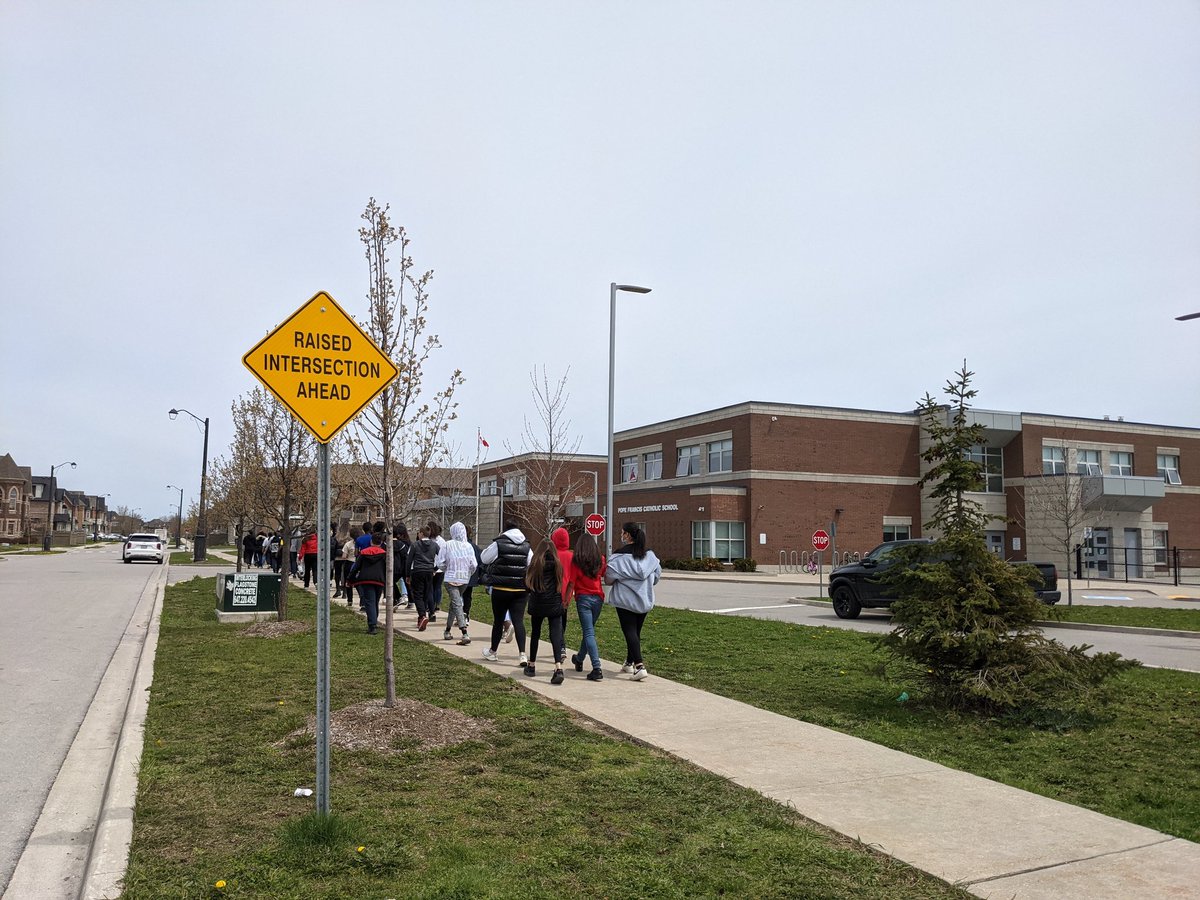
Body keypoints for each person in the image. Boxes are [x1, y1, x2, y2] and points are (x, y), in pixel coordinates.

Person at [604, 523, 661, 681]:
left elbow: (608, 579)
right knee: (636, 632)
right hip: (644, 600)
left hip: (625, 600)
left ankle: (639, 666)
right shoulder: (650, 556)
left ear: (628, 535)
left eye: (622, 533)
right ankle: (629, 662)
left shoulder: (618, 558)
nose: (621, 535)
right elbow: (656, 577)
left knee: (629, 631)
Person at [479, 520, 532, 666]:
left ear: (505, 530)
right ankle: (522, 654)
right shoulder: (527, 545)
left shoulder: (499, 543)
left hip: (501, 588)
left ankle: (493, 651)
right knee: (518, 621)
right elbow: (531, 563)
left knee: (498, 621)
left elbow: (484, 558)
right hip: (520, 589)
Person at [524, 539, 567, 684]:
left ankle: (531, 665)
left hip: (538, 602)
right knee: (555, 635)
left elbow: (527, 585)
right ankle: (558, 667)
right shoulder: (558, 565)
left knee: (535, 633)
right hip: (554, 603)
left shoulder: (535, 565)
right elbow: (560, 583)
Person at [568, 532, 607, 681]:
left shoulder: (577, 561)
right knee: (588, 630)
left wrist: (566, 600)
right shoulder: (600, 559)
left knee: (589, 632)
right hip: (598, 598)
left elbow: (571, 582)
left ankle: (597, 668)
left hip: (583, 598)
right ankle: (579, 658)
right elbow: (604, 573)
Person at [442, 522, 477, 644]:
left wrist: (448, 569)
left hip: (451, 578)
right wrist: (468, 573)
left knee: (455, 604)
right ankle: (455, 631)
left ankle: (462, 632)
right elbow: (474, 565)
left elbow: (440, 562)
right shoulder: (468, 546)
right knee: (457, 603)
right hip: (464, 579)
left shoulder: (447, 545)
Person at [348, 530, 387, 634]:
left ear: (371, 541)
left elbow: (356, 567)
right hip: (379, 580)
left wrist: (350, 579)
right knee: (375, 602)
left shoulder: (363, 553)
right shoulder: (384, 554)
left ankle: (372, 625)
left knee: (370, 602)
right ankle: (374, 622)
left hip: (366, 579)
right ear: (381, 542)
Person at [407, 524, 442, 631]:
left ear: (421, 533)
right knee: (426, 594)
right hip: (429, 571)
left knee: (417, 595)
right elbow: (442, 557)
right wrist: (435, 568)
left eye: (419, 532)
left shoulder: (415, 545)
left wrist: (407, 574)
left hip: (417, 571)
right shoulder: (434, 545)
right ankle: (422, 617)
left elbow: (409, 560)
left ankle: (422, 615)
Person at [551, 527, 573, 662]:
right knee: (562, 620)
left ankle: (561, 646)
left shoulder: (552, 555)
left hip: (554, 593)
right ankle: (561, 645)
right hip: (566, 594)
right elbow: (572, 579)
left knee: (555, 622)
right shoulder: (571, 556)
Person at [461, 524, 483, 624]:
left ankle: (461, 614)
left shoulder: (460, 546)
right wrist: (479, 575)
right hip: (471, 575)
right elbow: (480, 561)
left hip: (459, 575)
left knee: (458, 596)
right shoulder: (474, 547)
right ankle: (466, 614)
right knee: (467, 596)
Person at [426, 521, 447, 622]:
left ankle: (433, 605)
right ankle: (435, 604)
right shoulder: (441, 541)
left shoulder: (434, 541)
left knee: (433, 587)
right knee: (436, 587)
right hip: (438, 567)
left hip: (434, 566)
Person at [391, 523, 412, 611]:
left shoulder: (391, 544)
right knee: (407, 583)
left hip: (394, 567)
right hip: (403, 566)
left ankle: (397, 598)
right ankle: (410, 600)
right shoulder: (407, 543)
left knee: (390, 583)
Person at [336, 528, 358, 601]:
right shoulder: (361, 543)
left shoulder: (348, 544)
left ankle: (348, 598)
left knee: (348, 581)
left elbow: (344, 556)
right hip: (358, 563)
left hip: (349, 563)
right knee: (358, 582)